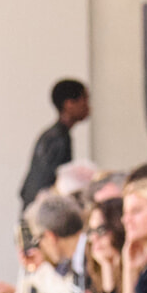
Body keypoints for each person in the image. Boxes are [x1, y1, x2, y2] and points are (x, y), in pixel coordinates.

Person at [19, 78, 91, 207]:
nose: (88, 105)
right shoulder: (58, 138)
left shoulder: (53, 135)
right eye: (84, 99)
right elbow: (45, 183)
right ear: (69, 104)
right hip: (41, 213)